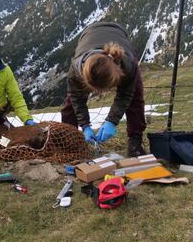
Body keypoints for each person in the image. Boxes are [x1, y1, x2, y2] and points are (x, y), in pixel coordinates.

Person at [61, 22, 146, 157]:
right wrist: (85, 126)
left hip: (119, 34)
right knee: (71, 101)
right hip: (88, 35)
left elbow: (125, 95)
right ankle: (68, 141)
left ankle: (135, 142)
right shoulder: (76, 71)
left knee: (135, 96)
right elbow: (77, 98)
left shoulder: (128, 64)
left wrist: (111, 121)